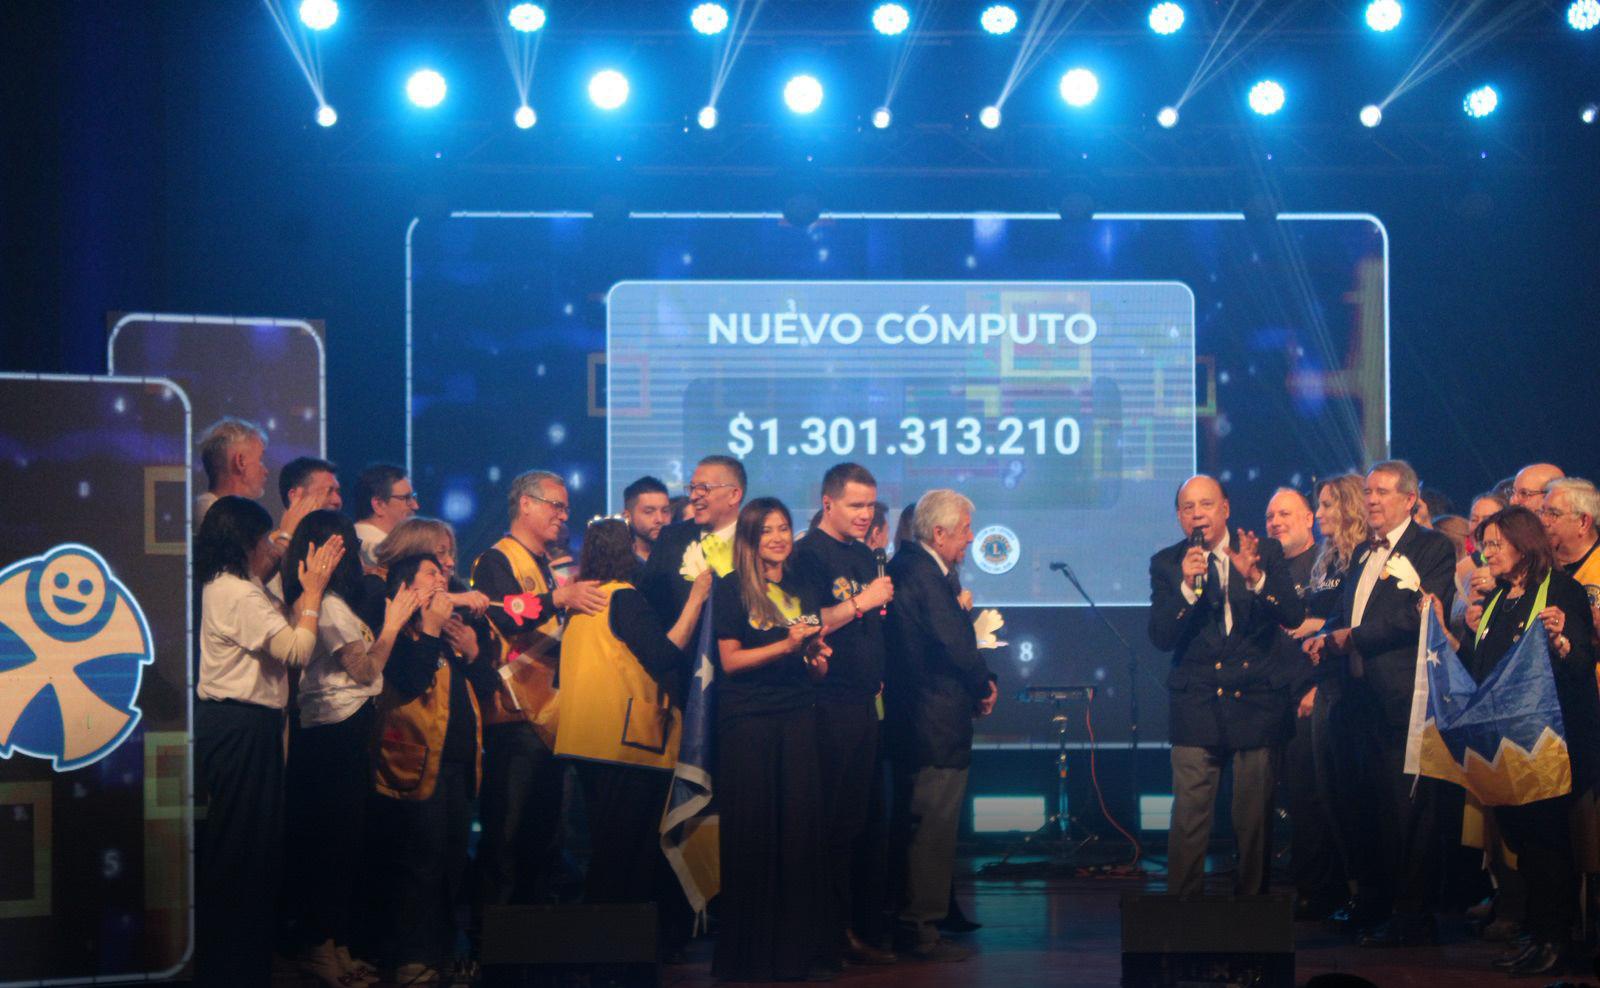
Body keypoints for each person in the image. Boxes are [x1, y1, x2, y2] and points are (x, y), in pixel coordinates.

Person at [193, 496, 342, 987]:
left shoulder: (236, 586)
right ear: (244, 543)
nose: (269, 549)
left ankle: (242, 964)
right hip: (241, 727)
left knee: (248, 848)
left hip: (243, 726)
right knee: (242, 849)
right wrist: (314, 592)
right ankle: (233, 969)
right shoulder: (237, 593)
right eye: (262, 539)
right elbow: (297, 649)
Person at [1306, 460, 1456, 946]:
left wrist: (1352, 637)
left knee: (1406, 812)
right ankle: (1372, 901)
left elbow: (1418, 616)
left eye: (1382, 492)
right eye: (1368, 491)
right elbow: (1344, 612)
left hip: (1401, 701)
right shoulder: (1360, 553)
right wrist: (1327, 637)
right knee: (1362, 806)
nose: (1371, 499)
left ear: (1410, 499)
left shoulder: (1431, 547)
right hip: (1357, 702)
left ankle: (1412, 915)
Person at [1450, 506, 1600, 976]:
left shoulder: (1561, 591)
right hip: (1507, 745)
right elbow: (1478, 668)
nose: (1487, 554)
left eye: (1496, 544)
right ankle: (1537, 935)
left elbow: (1579, 662)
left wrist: (1562, 642)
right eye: (1484, 546)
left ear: (1523, 544)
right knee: (1524, 845)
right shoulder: (1498, 598)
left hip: (1550, 743)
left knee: (1548, 843)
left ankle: (1558, 939)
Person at [556, 519, 711, 952]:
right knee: (625, 855)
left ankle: (603, 948)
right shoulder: (623, 597)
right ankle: (614, 950)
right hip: (627, 743)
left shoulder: (583, 601)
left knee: (606, 848)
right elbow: (664, 653)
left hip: (586, 740)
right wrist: (696, 599)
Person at [1149, 475, 1304, 899]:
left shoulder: (1264, 551)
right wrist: (1186, 589)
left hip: (1256, 701)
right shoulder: (1167, 563)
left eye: (1206, 505)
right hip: (1197, 703)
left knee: (1253, 819)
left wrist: (1255, 578)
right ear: (1179, 516)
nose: (1197, 514)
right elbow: (1161, 637)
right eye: (1188, 508)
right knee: (1189, 815)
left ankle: (1250, 911)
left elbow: (1292, 615)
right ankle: (1183, 912)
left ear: (1225, 509)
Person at [281, 509, 412, 987]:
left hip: (346, 728)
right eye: (339, 548)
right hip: (333, 731)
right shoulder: (327, 607)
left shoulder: (334, 603)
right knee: (332, 843)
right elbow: (364, 670)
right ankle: (317, 946)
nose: (350, 556)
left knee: (345, 843)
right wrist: (393, 625)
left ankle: (333, 943)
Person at [471, 471, 607, 917]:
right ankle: (491, 939)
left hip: (551, 716)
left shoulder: (547, 563)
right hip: (514, 717)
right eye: (556, 505)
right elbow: (505, 614)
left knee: (546, 837)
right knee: (506, 837)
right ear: (525, 504)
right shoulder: (496, 559)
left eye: (566, 508)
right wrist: (560, 600)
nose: (563, 515)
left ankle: (536, 937)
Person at [711, 498, 831, 982]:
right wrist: (787, 645)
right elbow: (730, 661)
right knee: (752, 835)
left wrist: (817, 659)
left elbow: (813, 665)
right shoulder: (731, 587)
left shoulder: (802, 587)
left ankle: (793, 955)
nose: (779, 538)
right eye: (767, 531)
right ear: (750, 538)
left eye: (784, 528)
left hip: (798, 715)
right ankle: (748, 957)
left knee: (798, 834)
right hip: (749, 721)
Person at [371, 553, 499, 984]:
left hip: (460, 764)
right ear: (407, 588)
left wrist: (474, 652)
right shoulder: (401, 632)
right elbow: (409, 681)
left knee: (451, 862)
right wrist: (428, 628)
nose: (442, 578)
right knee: (419, 861)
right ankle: (410, 957)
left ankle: (441, 954)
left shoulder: (450, 634)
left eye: (443, 572)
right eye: (431, 573)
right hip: (414, 764)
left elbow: (488, 688)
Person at [790, 463, 897, 971]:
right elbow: (803, 623)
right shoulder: (807, 554)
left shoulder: (864, 554)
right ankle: (822, 935)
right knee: (829, 824)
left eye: (870, 505)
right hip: (826, 705)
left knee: (856, 824)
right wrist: (861, 603)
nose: (865, 514)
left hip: (862, 704)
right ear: (827, 503)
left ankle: (847, 929)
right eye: (855, 505)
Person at [884, 488, 997, 961]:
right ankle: (921, 930)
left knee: (922, 827)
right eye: (965, 529)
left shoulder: (911, 568)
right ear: (939, 532)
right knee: (931, 831)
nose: (971, 538)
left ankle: (918, 925)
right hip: (933, 722)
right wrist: (984, 685)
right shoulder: (924, 575)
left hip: (919, 720)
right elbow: (956, 646)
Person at [1289, 474, 1369, 923]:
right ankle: (1338, 890)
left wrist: (1317, 631)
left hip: (1344, 687)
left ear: (1349, 506)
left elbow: (1352, 622)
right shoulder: (1327, 557)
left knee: (1348, 795)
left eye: (1326, 505)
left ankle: (1359, 891)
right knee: (1323, 795)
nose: (1319, 513)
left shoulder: (1360, 558)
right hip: (1319, 680)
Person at [1264, 487, 1341, 917]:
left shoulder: (1327, 563)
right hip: (1268, 698)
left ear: (1309, 518)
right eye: (1270, 516)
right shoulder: (1265, 569)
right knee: (1278, 798)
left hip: (1309, 696)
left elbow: (1338, 623)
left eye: (1285, 514)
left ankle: (1319, 890)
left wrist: (1317, 686)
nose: (1276, 522)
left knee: (1311, 798)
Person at [638, 455, 746, 624]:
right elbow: (644, 603)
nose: (693, 496)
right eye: (692, 488)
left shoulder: (757, 540)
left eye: (703, 488)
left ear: (733, 495)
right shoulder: (670, 538)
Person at [195, 417, 270, 529]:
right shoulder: (211, 514)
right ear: (240, 461)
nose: (266, 471)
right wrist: (287, 531)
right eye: (260, 459)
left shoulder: (236, 514)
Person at [1543, 478, 1600, 617]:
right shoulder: (1539, 563)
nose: (1543, 521)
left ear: (1583, 522)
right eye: (1542, 512)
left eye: (1554, 514)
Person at [354, 463, 417, 569]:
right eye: (406, 498)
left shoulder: (353, 539)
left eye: (413, 497)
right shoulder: (384, 554)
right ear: (379, 504)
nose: (415, 506)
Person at [622, 475, 672, 564]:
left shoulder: (681, 557)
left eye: (665, 511)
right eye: (649, 512)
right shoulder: (616, 561)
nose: (660, 519)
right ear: (627, 516)